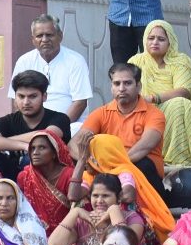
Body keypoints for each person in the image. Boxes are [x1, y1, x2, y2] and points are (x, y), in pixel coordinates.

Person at [71, 64, 168, 194]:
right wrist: (89, 161)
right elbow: (73, 145)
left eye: (127, 83)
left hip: (141, 174)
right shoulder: (100, 113)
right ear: (112, 88)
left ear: (138, 86)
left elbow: (144, 147)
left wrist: (109, 168)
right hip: (106, 172)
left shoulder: (154, 114)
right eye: (117, 84)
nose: (121, 89)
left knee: (144, 163)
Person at [128, 20, 191, 166]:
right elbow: (128, 89)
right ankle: (186, 156)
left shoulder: (180, 61)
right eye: (151, 38)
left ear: (170, 41)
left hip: (171, 108)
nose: (155, 42)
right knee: (180, 105)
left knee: (180, 103)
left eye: (161, 39)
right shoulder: (136, 61)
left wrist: (153, 98)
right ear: (145, 40)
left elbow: (184, 91)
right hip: (143, 111)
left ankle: (179, 159)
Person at [72, 135, 176, 243]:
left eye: (90, 156)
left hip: (129, 223)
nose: (87, 161)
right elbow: (73, 196)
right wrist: (81, 159)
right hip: (98, 220)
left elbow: (128, 196)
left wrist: (109, 209)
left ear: (101, 156)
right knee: (81, 202)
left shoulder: (123, 170)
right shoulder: (90, 175)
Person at [7, 15, 93, 122]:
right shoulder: (24, 61)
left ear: (60, 36)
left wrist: (59, 127)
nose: (44, 40)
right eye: (39, 36)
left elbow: (80, 102)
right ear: (33, 40)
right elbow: (16, 99)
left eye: (49, 35)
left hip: (69, 124)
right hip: (31, 123)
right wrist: (25, 125)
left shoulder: (76, 61)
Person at [0, 69, 73, 178]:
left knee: (33, 156)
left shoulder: (60, 118)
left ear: (44, 96)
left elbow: (47, 135)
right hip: (11, 180)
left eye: (32, 96)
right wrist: (24, 146)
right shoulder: (7, 121)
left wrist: (3, 143)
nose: (26, 102)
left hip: (52, 181)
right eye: (21, 96)